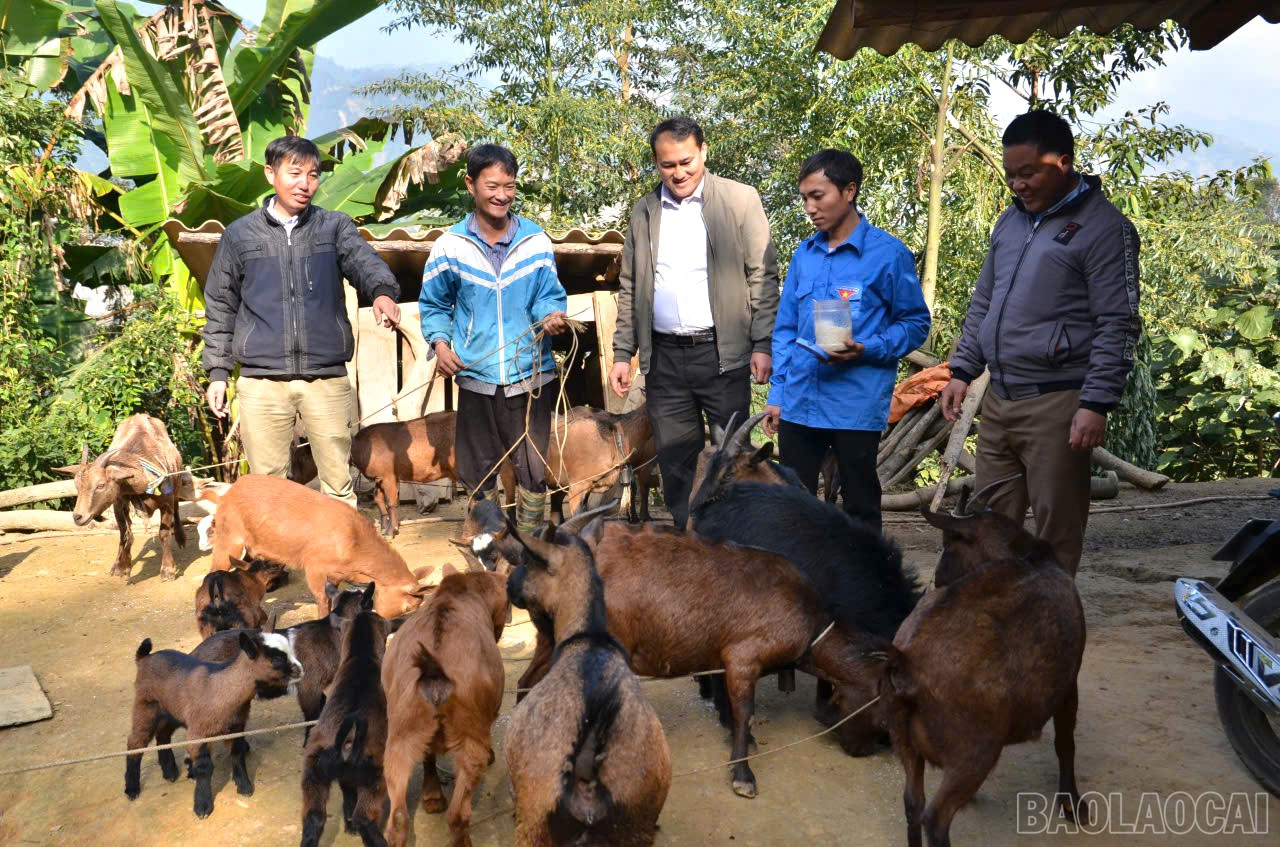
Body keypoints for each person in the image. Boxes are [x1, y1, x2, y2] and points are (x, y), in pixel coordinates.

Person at [940, 109, 1141, 575]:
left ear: (1063, 163)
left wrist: (1096, 403)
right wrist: (962, 371)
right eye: (1011, 174)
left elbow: (1119, 322)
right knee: (989, 524)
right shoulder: (1010, 224)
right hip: (1000, 400)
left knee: (1055, 533)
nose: (1017, 184)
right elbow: (983, 301)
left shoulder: (1105, 229)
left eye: (1027, 173)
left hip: (1060, 403)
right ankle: (993, 622)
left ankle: (1049, 624)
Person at [203, 135, 401, 505]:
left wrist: (383, 292)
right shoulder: (240, 235)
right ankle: (271, 564)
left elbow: (366, 264)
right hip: (262, 382)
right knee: (267, 488)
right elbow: (220, 304)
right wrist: (217, 373)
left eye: (313, 175)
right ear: (270, 174)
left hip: (325, 378)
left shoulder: (334, 227)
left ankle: (336, 563)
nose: (305, 183)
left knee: (338, 487)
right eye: (295, 173)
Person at [609, 116, 780, 529]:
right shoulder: (646, 211)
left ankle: (736, 543)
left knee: (732, 456)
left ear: (704, 152)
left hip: (723, 356)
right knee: (676, 461)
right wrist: (622, 352)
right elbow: (630, 286)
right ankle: (690, 546)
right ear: (656, 162)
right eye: (668, 165)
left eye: (687, 161)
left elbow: (763, 274)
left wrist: (763, 344)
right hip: (664, 360)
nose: (679, 172)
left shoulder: (739, 200)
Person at [763, 149, 931, 531]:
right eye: (805, 197)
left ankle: (864, 586)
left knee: (860, 508)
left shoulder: (888, 255)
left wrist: (867, 348)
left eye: (818, 196)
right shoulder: (804, 256)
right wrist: (777, 395)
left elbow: (916, 323)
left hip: (855, 406)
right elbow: (786, 329)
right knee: (793, 507)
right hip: (800, 403)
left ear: (849, 190)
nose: (809, 207)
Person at [419, 143, 569, 534]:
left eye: (510, 186)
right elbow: (434, 305)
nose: (502, 195)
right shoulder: (450, 246)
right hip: (477, 376)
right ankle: (490, 547)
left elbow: (547, 297)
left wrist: (551, 318)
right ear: (471, 184)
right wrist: (440, 343)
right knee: (478, 470)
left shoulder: (535, 242)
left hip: (530, 376)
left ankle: (530, 548)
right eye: (492, 185)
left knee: (533, 467)